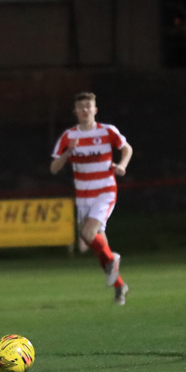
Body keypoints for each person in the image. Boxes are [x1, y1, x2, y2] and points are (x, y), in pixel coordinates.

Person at [51, 92, 133, 304]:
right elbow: (54, 168)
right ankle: (119, 287)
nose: (85, 110)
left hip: (105, 191)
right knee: (97, 246)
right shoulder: (68, 137)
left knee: (87, 234)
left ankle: (114, 260)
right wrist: (68, 152)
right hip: (83, 196)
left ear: (95, 110)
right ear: (75, 111)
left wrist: (122, 166)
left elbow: (127, 148)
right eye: (81, 107)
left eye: (89, 106)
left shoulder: (107, 131)